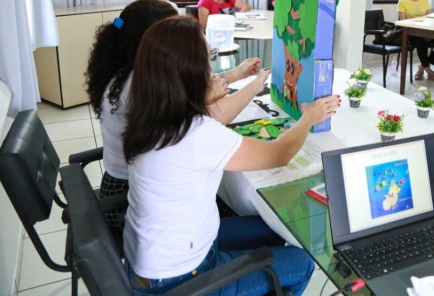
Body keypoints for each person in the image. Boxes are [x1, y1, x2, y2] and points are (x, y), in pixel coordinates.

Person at [122, 16, 340, 296]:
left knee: (275, 229)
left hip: (153, 262)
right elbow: (279, 154)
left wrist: (253, 84)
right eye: (208, 57)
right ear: (189, 70)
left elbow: (215, 116)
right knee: (302, 262)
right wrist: (308, 118)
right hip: (180, 280)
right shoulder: (196, 133)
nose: (211, 67)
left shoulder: (151, 112)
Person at [85, 0, 264, 229]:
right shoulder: (139, 85)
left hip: (124, 184)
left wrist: (233, 75)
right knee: (237, 208)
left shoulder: (124, 73)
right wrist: (255, 85)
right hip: (130, 198)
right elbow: (210, 114)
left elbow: (189, 95)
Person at [397, 0, 434, 82]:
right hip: (411, 33)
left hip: (426, 31)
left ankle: (422, 67)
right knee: (420, 41)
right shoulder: (403, 1)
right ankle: (428, 69)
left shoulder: (425, 0)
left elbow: (429, 19)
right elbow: (404, 22)